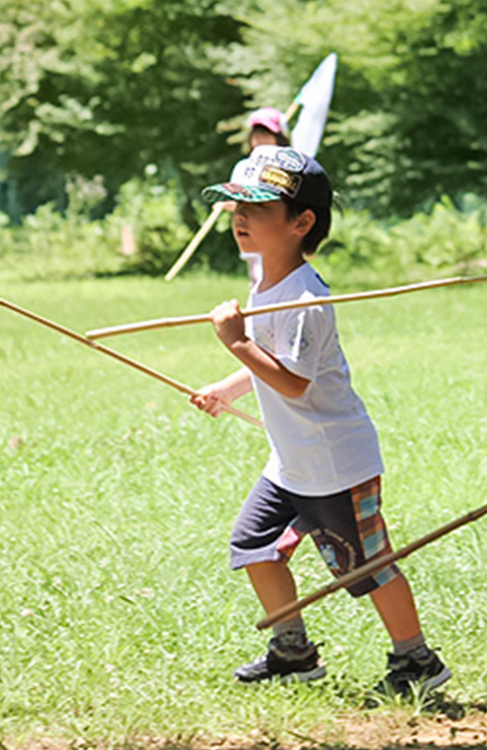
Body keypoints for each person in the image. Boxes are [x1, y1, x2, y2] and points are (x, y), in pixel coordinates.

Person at [189, 145, 450, 697]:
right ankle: (293, 651)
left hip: (334, 463)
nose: (240, 216)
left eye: (257, 206)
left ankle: (417, 661)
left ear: (302, 221)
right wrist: (227, 385)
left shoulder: (305, 296)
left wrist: (235, 343)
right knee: (253, 544)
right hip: (291, 462)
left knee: (366, 567)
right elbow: (273, 362)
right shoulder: (266, 286)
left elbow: (293, 381)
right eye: (235, 204)